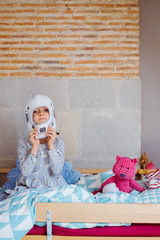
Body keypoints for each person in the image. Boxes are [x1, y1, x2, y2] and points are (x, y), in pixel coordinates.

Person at [16, 94, 69, 189]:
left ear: (52, 113)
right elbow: (25, 172)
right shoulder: (24, 142)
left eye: (45, 110)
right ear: (29, 116)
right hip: (30, 187)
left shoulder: (58, 142)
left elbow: (57, 171)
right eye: (35, 111)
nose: (41, 113)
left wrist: (51, 145)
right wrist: (35, 147)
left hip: (53, 186)